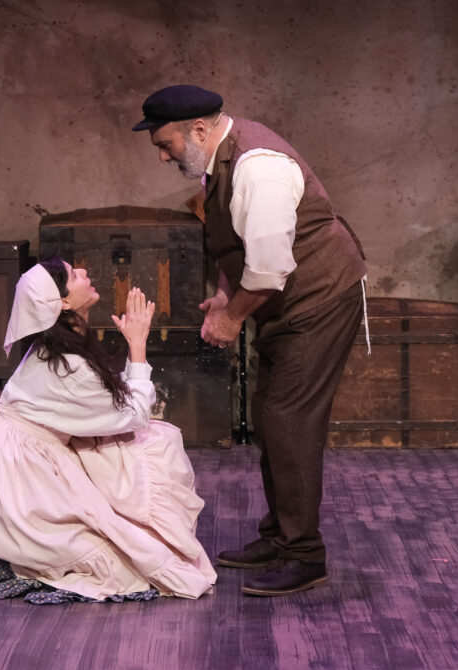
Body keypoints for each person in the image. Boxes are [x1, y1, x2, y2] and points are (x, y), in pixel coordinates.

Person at [133, 84, 368, 596]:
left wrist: (232, 318)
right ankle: (281, 537)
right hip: (286, 303)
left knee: (288, 420)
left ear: (199, 129)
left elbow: (268, 269)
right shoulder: (218, 160)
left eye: (165, 144)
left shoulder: (258, 168)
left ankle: (304, 555)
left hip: (319, 300)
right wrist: (224, 295)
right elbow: (235, 245)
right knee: (272, 416)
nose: (162, 156)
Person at [0, 257, 217, 603]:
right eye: (74, 274)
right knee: (153, 449)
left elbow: (114, 408)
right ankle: (6, 556)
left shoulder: (61, 351)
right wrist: (137, 345)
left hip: (31, 455)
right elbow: (134, 414)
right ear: (65, 303)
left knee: (151, 442)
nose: (84, 272)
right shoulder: (66, 366)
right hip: (27, 474)